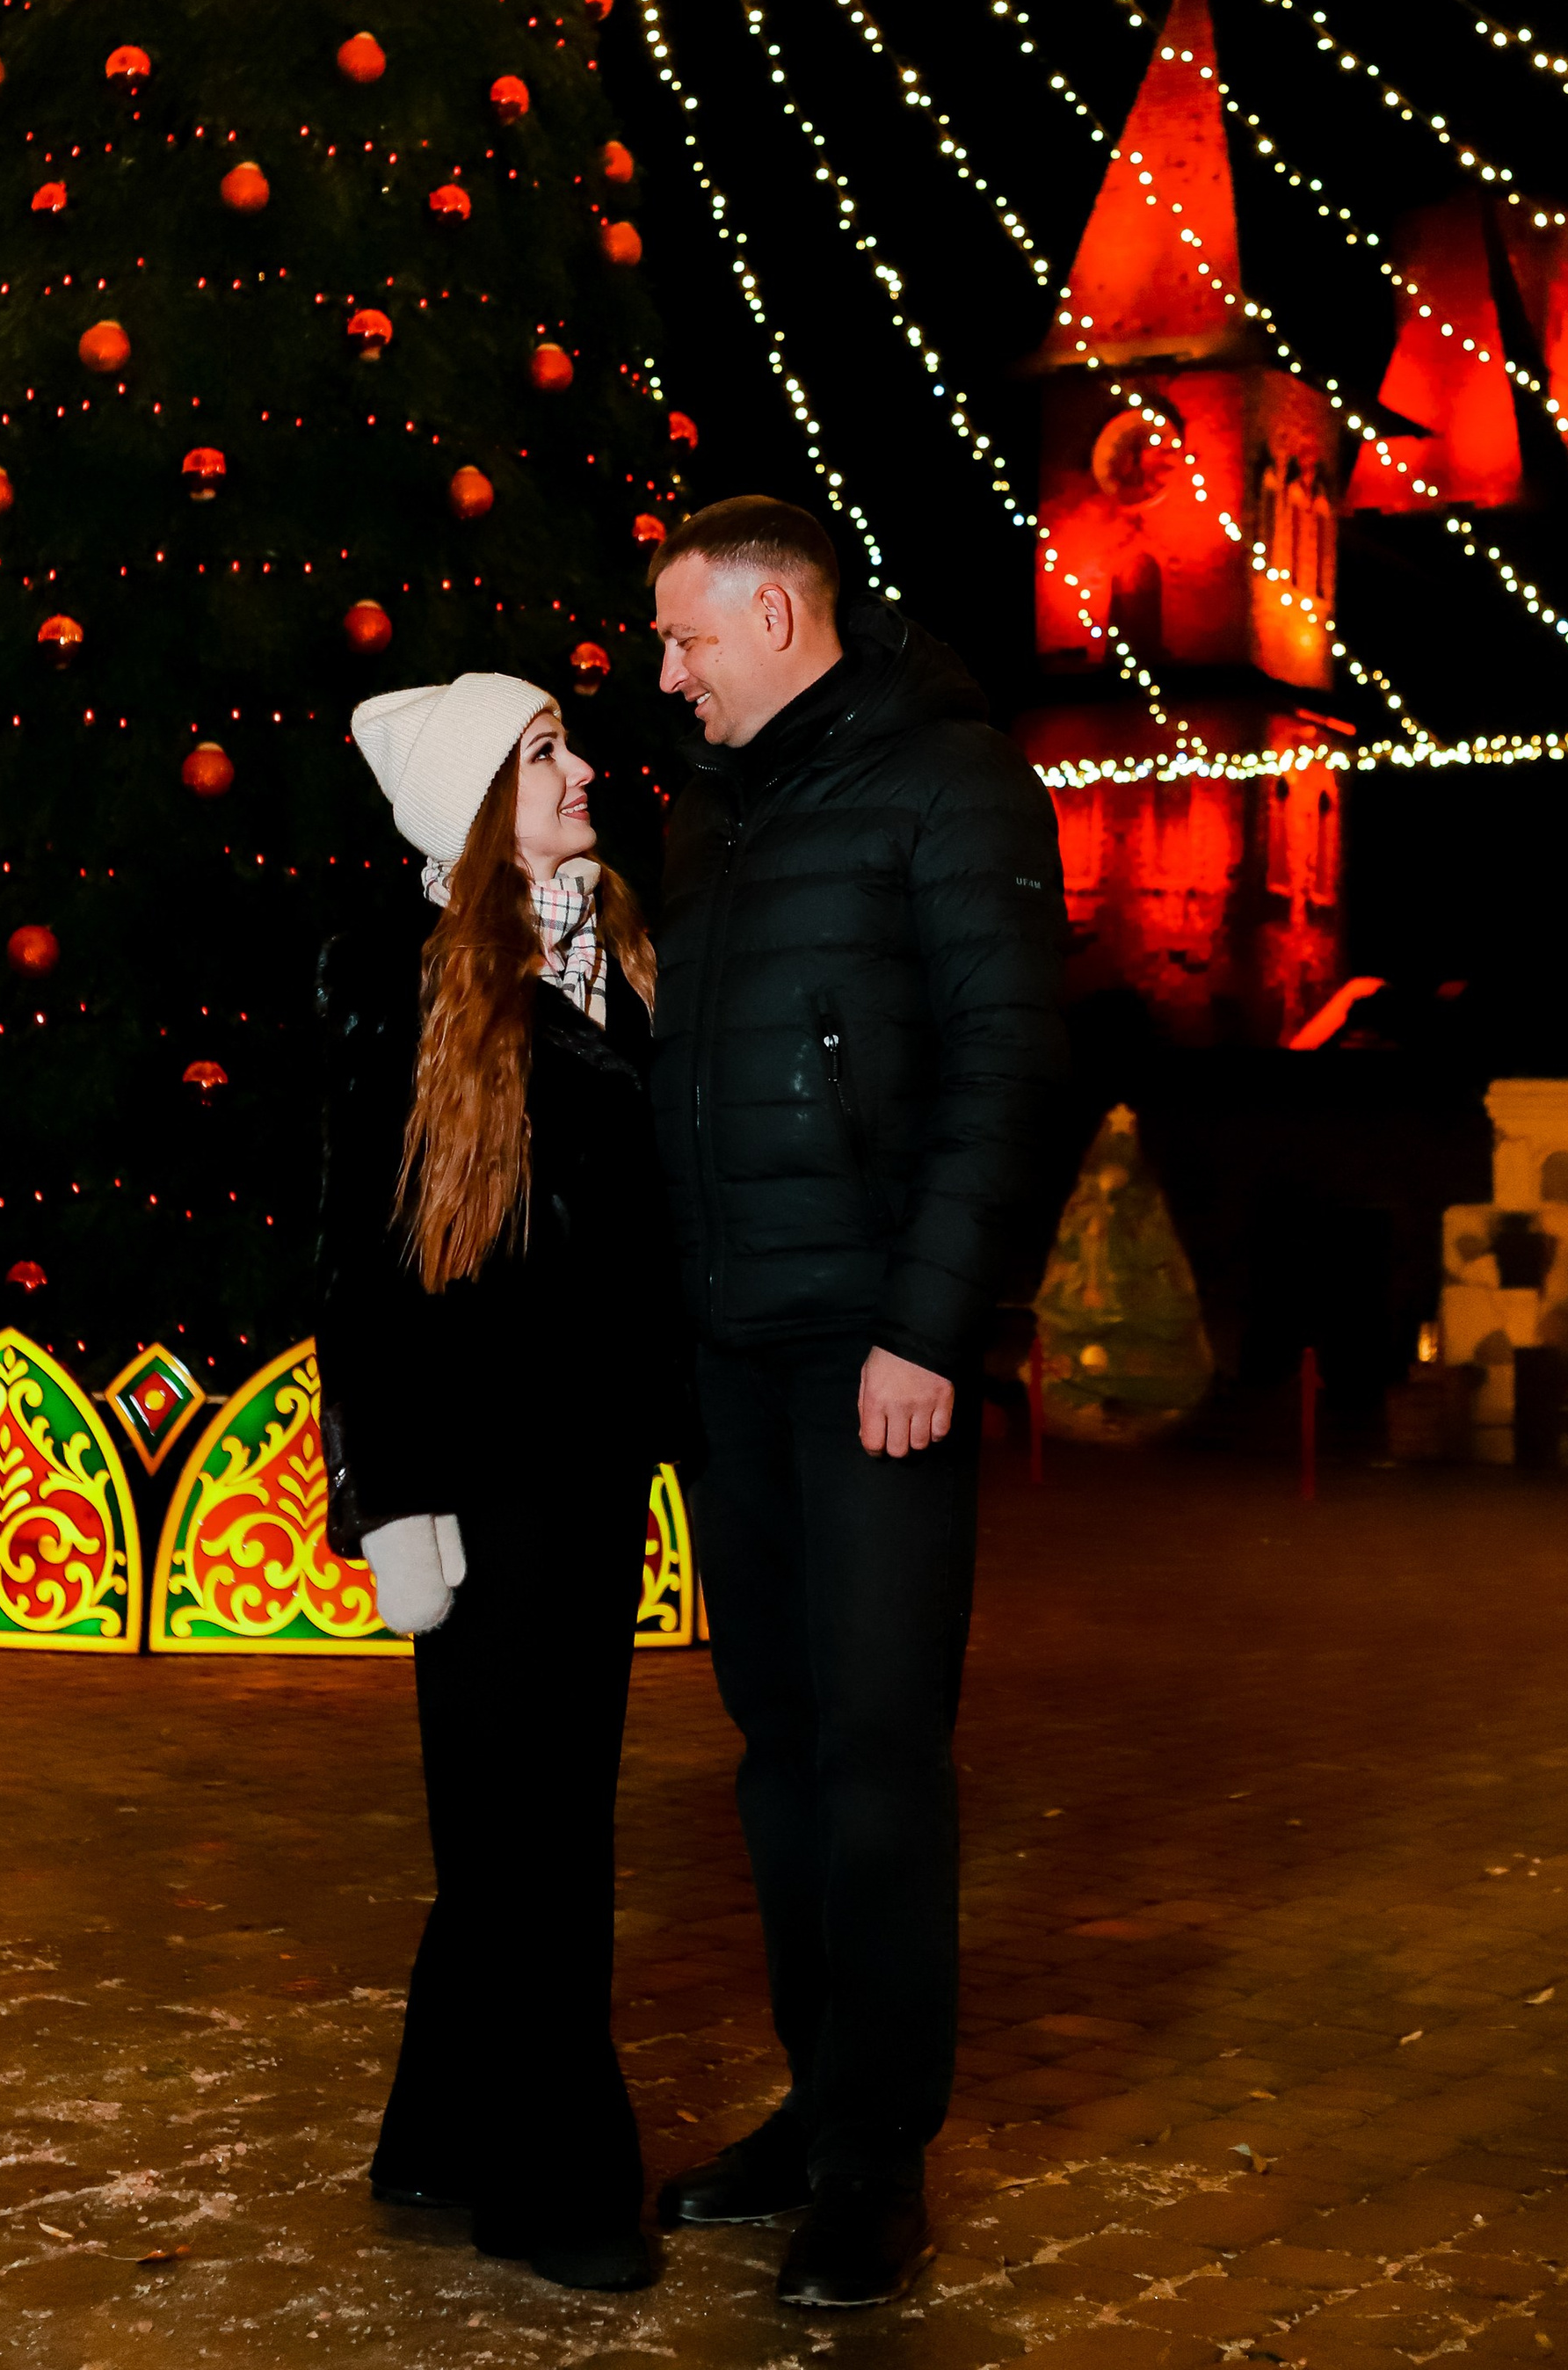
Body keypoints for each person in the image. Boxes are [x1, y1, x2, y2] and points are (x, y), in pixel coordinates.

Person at [645, 498, 1068, 2308]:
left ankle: (876, 2168)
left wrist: (925, 1327)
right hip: (732, 1361)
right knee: (780, 1750)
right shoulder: (715, 818)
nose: (662, 676)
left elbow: (1011, 1069)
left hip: (871, 1362)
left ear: (768, 615)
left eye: (680, 641)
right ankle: (816, 2106)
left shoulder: (950, 786)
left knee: (881, 1759)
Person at [315, 671, 679, 2296]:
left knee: (531, 1818)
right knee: (530, 1835)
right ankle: (552, 2184)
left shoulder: (627, 946)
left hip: (596, 1466)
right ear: (474, 801)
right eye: (542, 755)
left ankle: (439, 2134)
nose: (582, 768)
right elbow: (362, 1265)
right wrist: (386, 1498)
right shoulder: (397, 984)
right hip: (474, 1478)